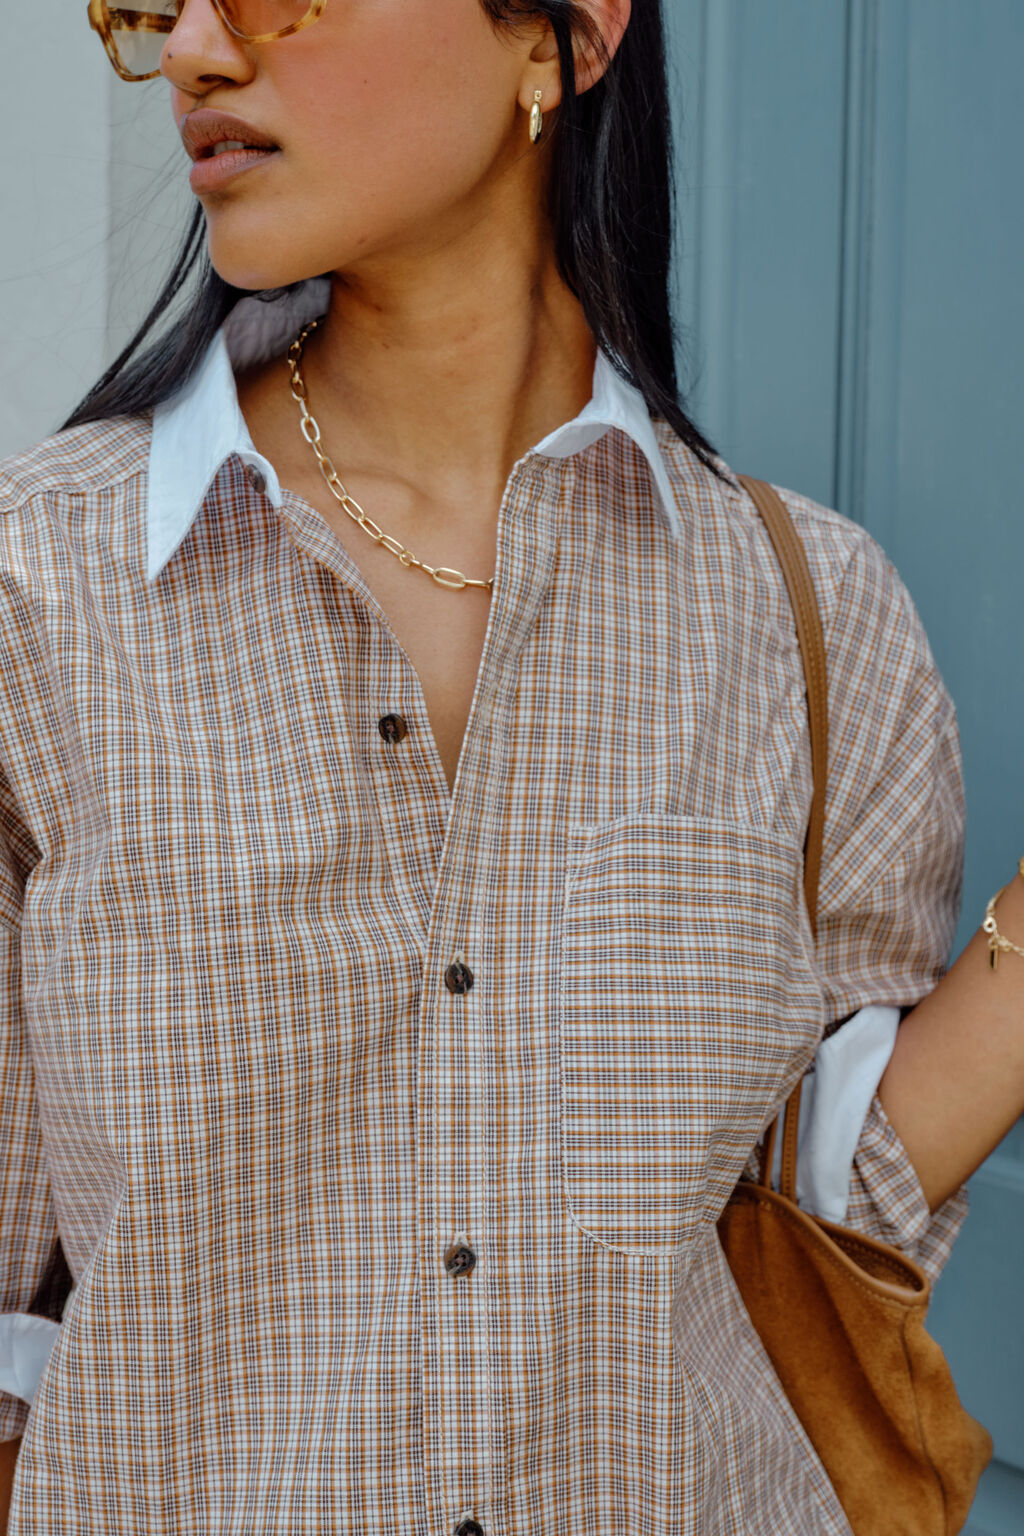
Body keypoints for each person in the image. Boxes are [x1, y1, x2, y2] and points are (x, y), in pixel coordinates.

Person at [0, 0, 1020, 1530]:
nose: (199, 51)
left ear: (563, 36)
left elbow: (819, 1212)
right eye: (156, 6)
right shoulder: (40, 593)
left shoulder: (810, 614)